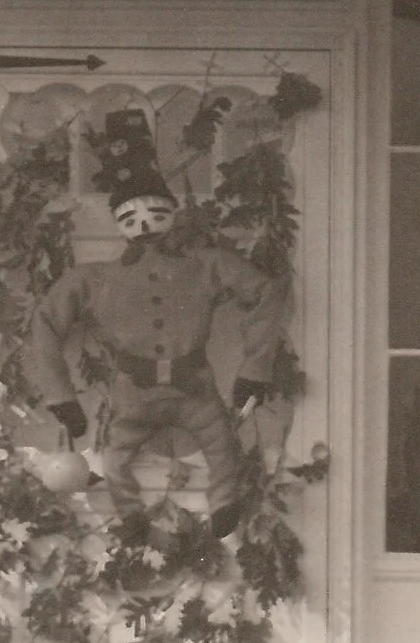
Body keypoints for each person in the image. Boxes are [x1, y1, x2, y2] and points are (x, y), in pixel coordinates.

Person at [25, 107, 281, 539]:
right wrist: (60, 395)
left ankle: (223, 506)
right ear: (118, 224)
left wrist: (255, 369)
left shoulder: (206, 265)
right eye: (130, 218)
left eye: (154, 213)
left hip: (195, 387)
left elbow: (264, 292)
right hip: (132, 393)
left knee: (223, 449)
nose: (144, 225)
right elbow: (46, 320)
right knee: (114, 458)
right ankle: (132, 517)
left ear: (173, 213)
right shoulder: (96, 279)